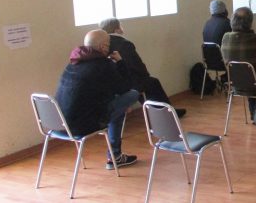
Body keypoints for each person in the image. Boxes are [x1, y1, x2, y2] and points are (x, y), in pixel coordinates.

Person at [55, 29, 139, 170]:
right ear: (103, 47)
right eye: (108, 44)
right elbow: (126, 87)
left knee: (118, 107)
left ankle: (116, 156)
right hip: (82, 125)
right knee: (132, 94)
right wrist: (120, 62)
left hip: (59, 123)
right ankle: (115, 156)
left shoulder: (73, 63)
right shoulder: (103, 65)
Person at [99, 18, 186, 118]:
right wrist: (145, 75)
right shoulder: (124, 44)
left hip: (112, 84)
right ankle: (167, 113)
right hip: (128, 81)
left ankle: (160, 112)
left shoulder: (101, 44)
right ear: (116, 29)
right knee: (151, 82)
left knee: (147, 83)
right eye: (120, 25)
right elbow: (136, 65)